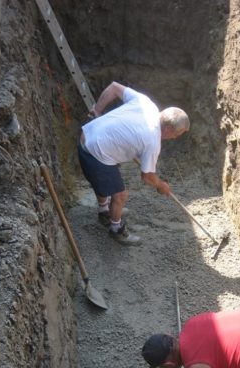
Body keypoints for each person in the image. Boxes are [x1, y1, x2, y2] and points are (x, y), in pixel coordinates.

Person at [77, 81, 190, 245]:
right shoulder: (152, 141)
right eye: (177, 134)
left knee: (107, 174)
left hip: (88, 134)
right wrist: (160, 185)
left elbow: (114, 87)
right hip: (94, 154)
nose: (175, 138)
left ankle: (104, 211)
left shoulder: (147, 104)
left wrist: (97, 110)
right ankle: (116, 229)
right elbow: (147, 177)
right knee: (121, 194)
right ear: (169, 130)